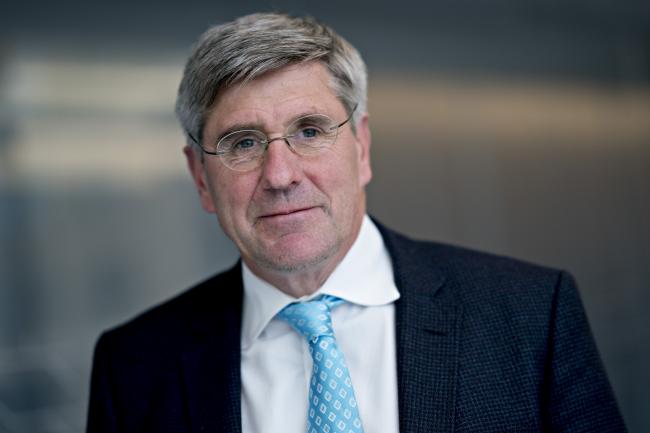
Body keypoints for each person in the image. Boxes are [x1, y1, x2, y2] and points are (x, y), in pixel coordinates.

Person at [87, 12, 626, 433]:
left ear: (362, 146)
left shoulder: (530, 315)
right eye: (242, 143)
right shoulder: (134, 367)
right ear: (201, 178)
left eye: (310, 130)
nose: (280, 175)